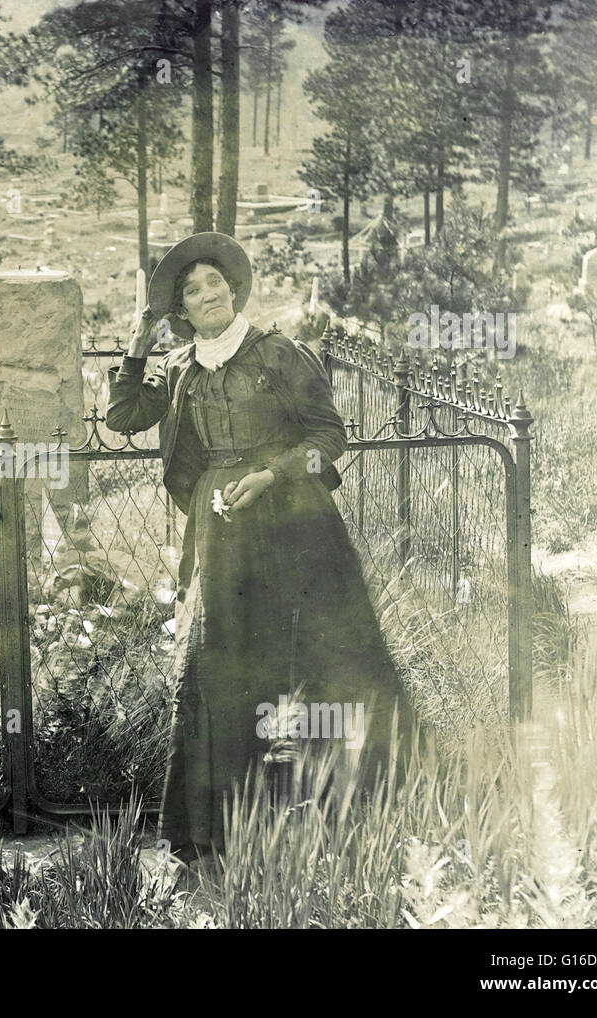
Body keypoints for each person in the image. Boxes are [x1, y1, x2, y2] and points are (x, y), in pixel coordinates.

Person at [104, 232, 416, 863]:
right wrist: (139, 347)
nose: (207, 293)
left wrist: (272, 474)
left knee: (313, 659)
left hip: (297, 524)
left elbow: (329, 436)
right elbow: (123, 417)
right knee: (220, 664)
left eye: (214, 281)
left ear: (233, 287)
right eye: (191, 290)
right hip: (222, 533)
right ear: (181, 312)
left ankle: (341, 812)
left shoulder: (279, 354)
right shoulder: (181, 369)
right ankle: (223, 827)